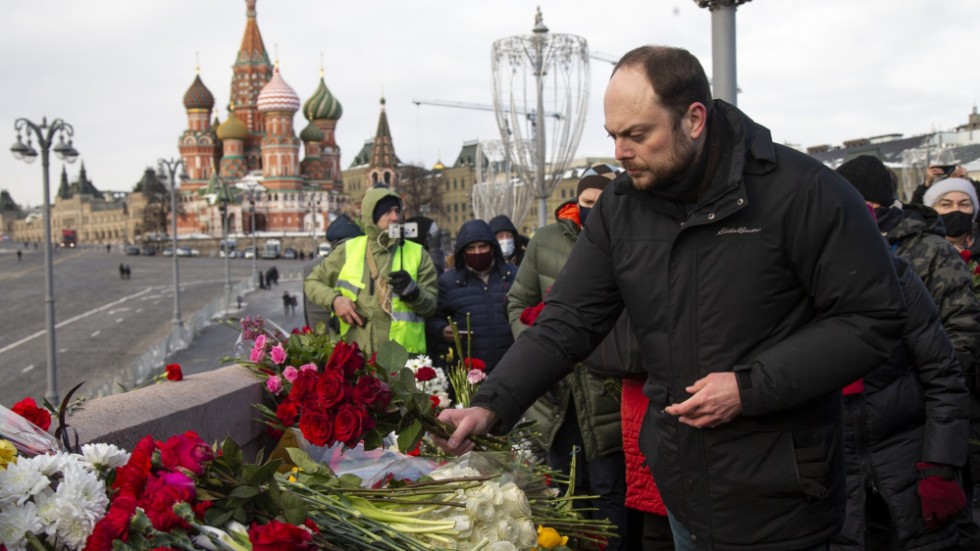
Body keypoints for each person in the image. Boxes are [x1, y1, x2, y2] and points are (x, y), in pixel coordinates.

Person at [437, 45, 906, 551]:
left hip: (781, 495)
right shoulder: (622, 206)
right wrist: (491, 404)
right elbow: (567, 320)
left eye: (637, 134)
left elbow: (872, 318)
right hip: (682, 487)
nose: (620, 152)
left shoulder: (805, 191)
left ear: (694, 119)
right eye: (613, 135)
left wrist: (749, 388)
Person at [505, 162, 633, 550]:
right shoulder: (545, 241)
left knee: (611, 488)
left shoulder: (629, 239)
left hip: (606, 390)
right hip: (558, 394)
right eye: (587, 200)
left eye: (603, 200)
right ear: (576, 202)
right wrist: (544, 350)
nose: (594, 208)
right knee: (565, 488)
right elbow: (518, 303)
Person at [830, 210, 971, 551]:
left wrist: (940, 465)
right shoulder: (785, 290)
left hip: (912, 469)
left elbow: (944, 376)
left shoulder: (897, 278)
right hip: (835, 487)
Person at [304, 188, 438, 356]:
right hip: (356, 358)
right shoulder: (349, 250)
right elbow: (312, 282)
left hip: (402, 361)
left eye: (397, 211)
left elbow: (431, 306)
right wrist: (335, 300)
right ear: (371, 215)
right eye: (387, 212)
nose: (395, 217)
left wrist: (414, 293)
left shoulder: (419, 254)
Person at [427, 219, 516, 373]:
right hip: (470, 372)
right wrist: (442, 330)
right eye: (471, 248)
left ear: (492, 248)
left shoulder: (513, 275)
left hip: (512, 366)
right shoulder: (449, 282)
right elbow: (434, 319)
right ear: (463, 251)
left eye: (483, 246)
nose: (477, 252)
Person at [303, 213, 364, 332]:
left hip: (320, 338)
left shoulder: (311, 266)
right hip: (348, 338)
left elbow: (310, 312)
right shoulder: (360, 260)